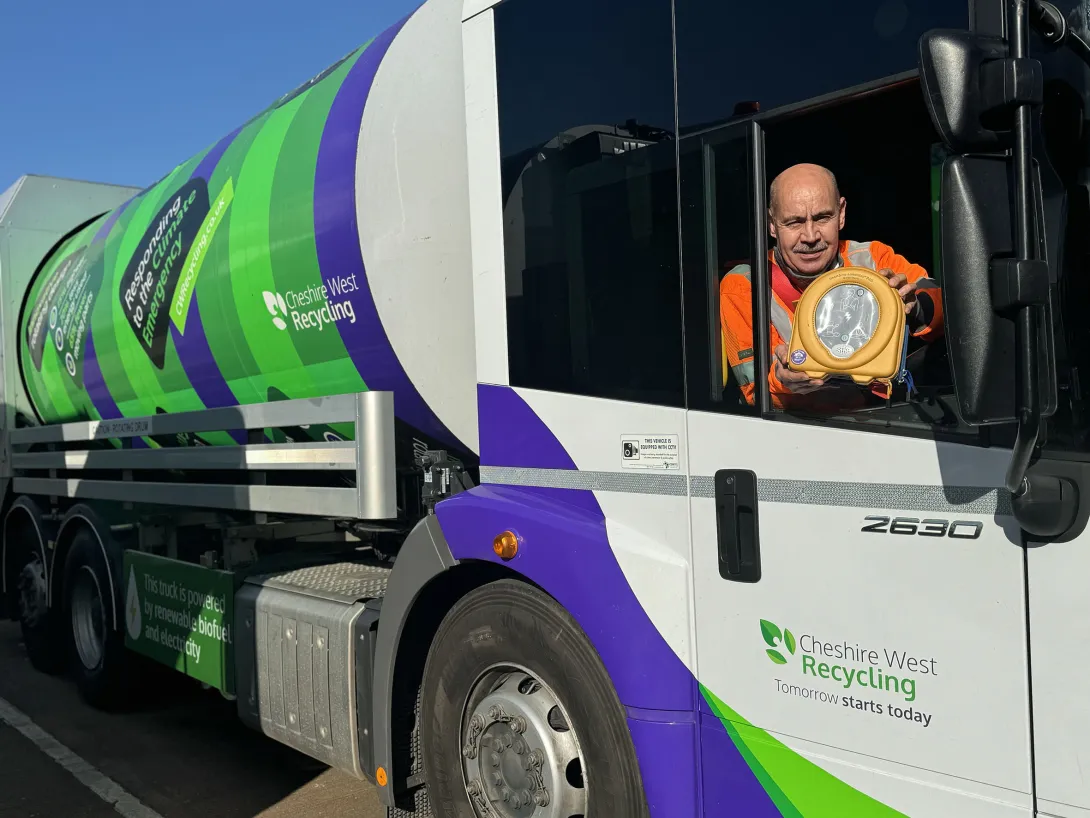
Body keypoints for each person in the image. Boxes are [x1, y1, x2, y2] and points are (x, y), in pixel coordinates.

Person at [720, 163, 944, 412]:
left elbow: (948, 309)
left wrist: (917, 309)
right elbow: (754, 391)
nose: (810, 235)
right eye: (794, 222)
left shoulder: (873, 258)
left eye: (822, 217)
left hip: (882, 420)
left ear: (842, 213)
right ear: (772, 224)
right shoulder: (743, 286)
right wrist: (782, 381)